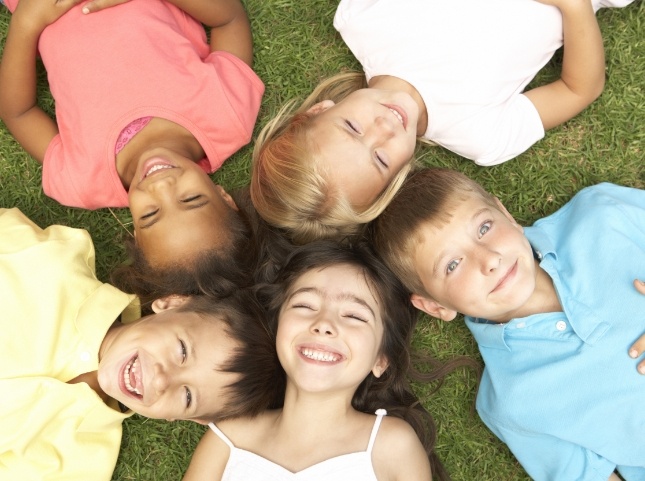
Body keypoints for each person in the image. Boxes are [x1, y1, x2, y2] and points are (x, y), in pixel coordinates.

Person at [250, 0, 635, 244]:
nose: (384, 128)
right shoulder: (479, 134)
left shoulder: (361, 18)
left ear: (319, 110)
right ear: (396, 178)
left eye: (352, 128)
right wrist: (574, 7)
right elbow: (577, 88)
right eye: (381, 159)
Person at [370, 168, 645, 481]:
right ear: (435, 305)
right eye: (453, 264)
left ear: (505, 213)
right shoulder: (511, 402)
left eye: (484, 227)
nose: (489, 259)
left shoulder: (601, 217)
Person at [0, 0, 264, 297]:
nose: (162, 187)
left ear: (136, 234)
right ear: (224, 197)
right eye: (191, 199)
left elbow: (18, 113)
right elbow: (229, 19)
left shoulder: (83, 180)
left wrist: (26, 22)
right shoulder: (227, 117)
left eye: (151, 214)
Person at [0, 207, 279, 481]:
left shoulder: (82, 460)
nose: (161, 380)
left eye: (187, 396)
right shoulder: (50, 263)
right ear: (171, 304)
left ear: (187, 419)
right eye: (181, 350)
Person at [182, 241, 474, 481]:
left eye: (354, 316)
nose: (324, 324)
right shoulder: (227, 438)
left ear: (381, 359)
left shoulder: (391, 446)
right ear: (277, 328)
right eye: (305, 305)